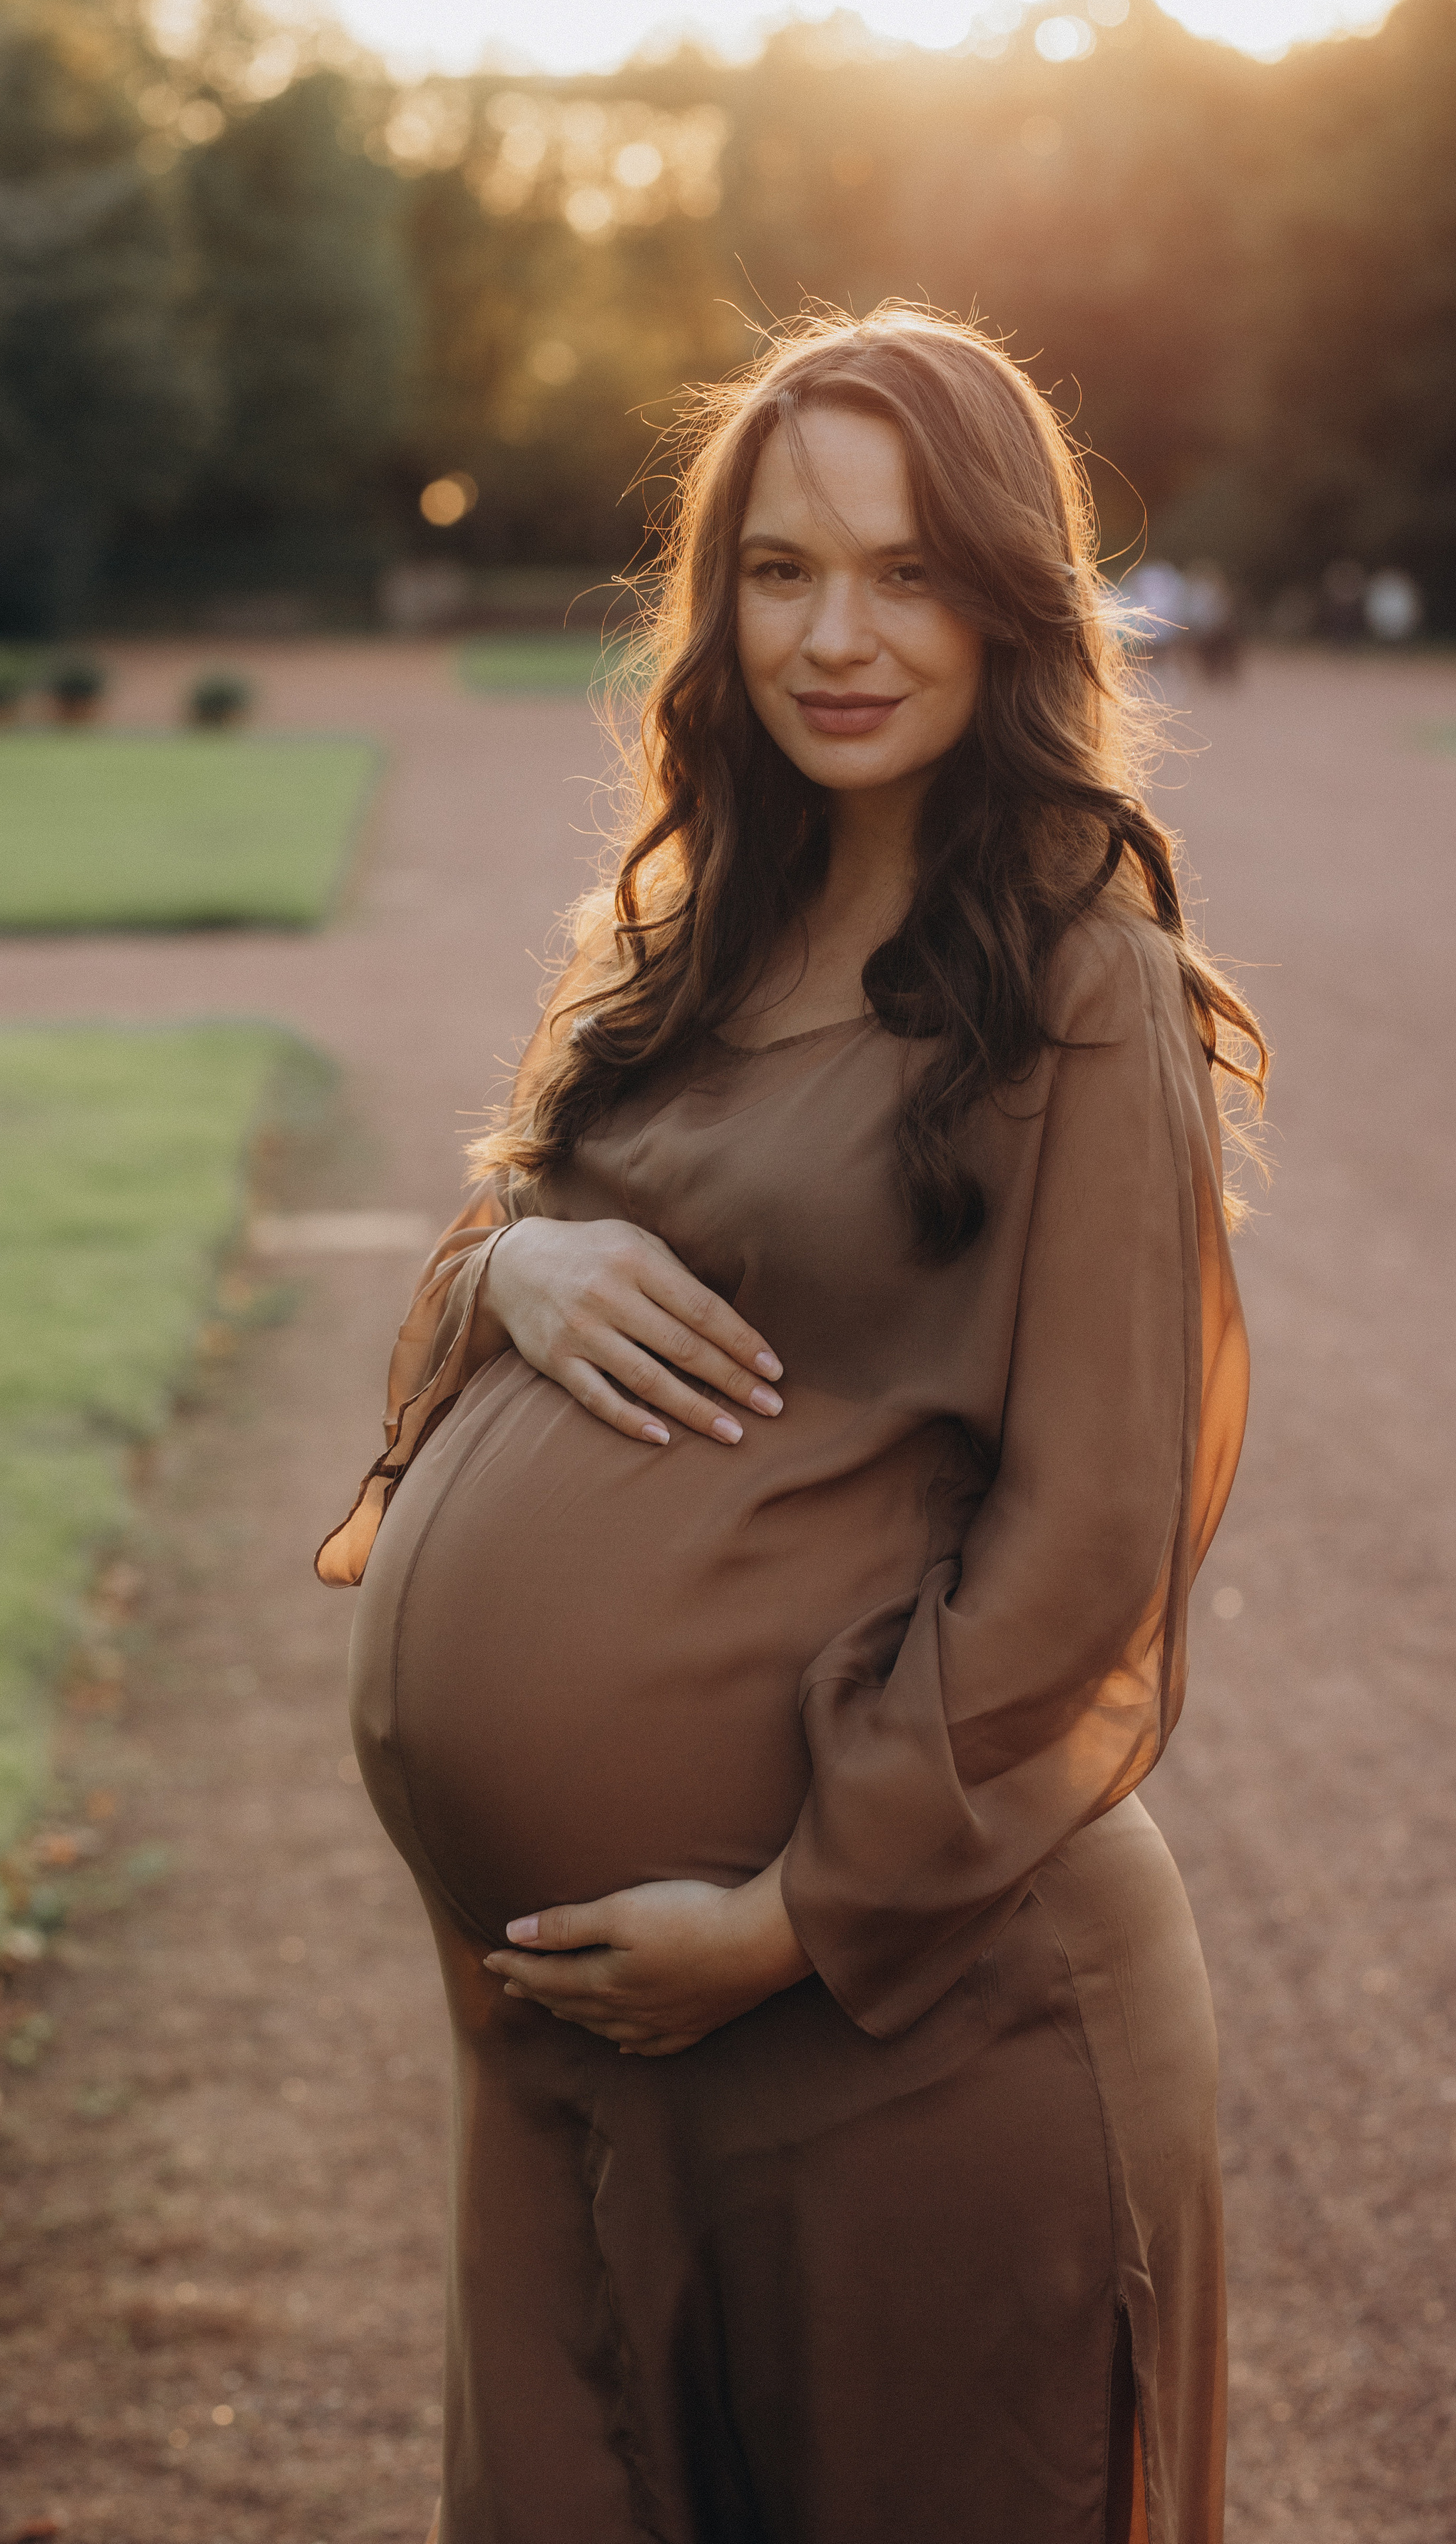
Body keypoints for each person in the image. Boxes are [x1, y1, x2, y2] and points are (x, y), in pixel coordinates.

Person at [320, 306, 1266, 2544]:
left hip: (909, 2032)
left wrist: (789, 1920)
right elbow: (510, 1242)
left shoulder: (1078, 979)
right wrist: (507, 1267)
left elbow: (1095, 1527)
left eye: (909, 571)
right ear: (712, 599)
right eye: (779, 570)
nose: (836, 635)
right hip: (571, 2062)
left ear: (1009, 601)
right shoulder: (683, 943)